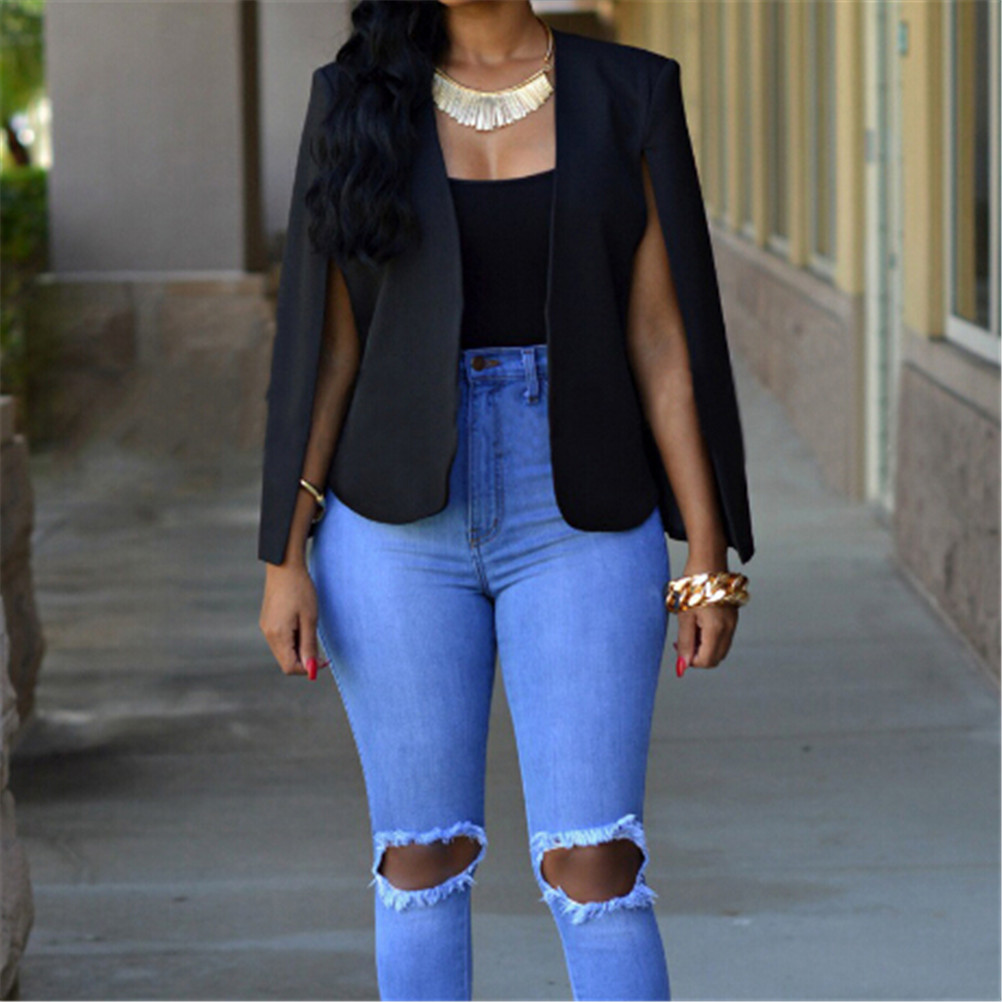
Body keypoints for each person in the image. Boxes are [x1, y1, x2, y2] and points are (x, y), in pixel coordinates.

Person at [258, 2, 754, 999]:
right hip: (392, 523)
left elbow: (663, 337)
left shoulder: (631, 92)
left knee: (597, 860)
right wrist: (286, 553)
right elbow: (330, 342)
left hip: (580, 511)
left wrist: (708, 550)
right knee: (419, 857)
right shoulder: (354, 96)